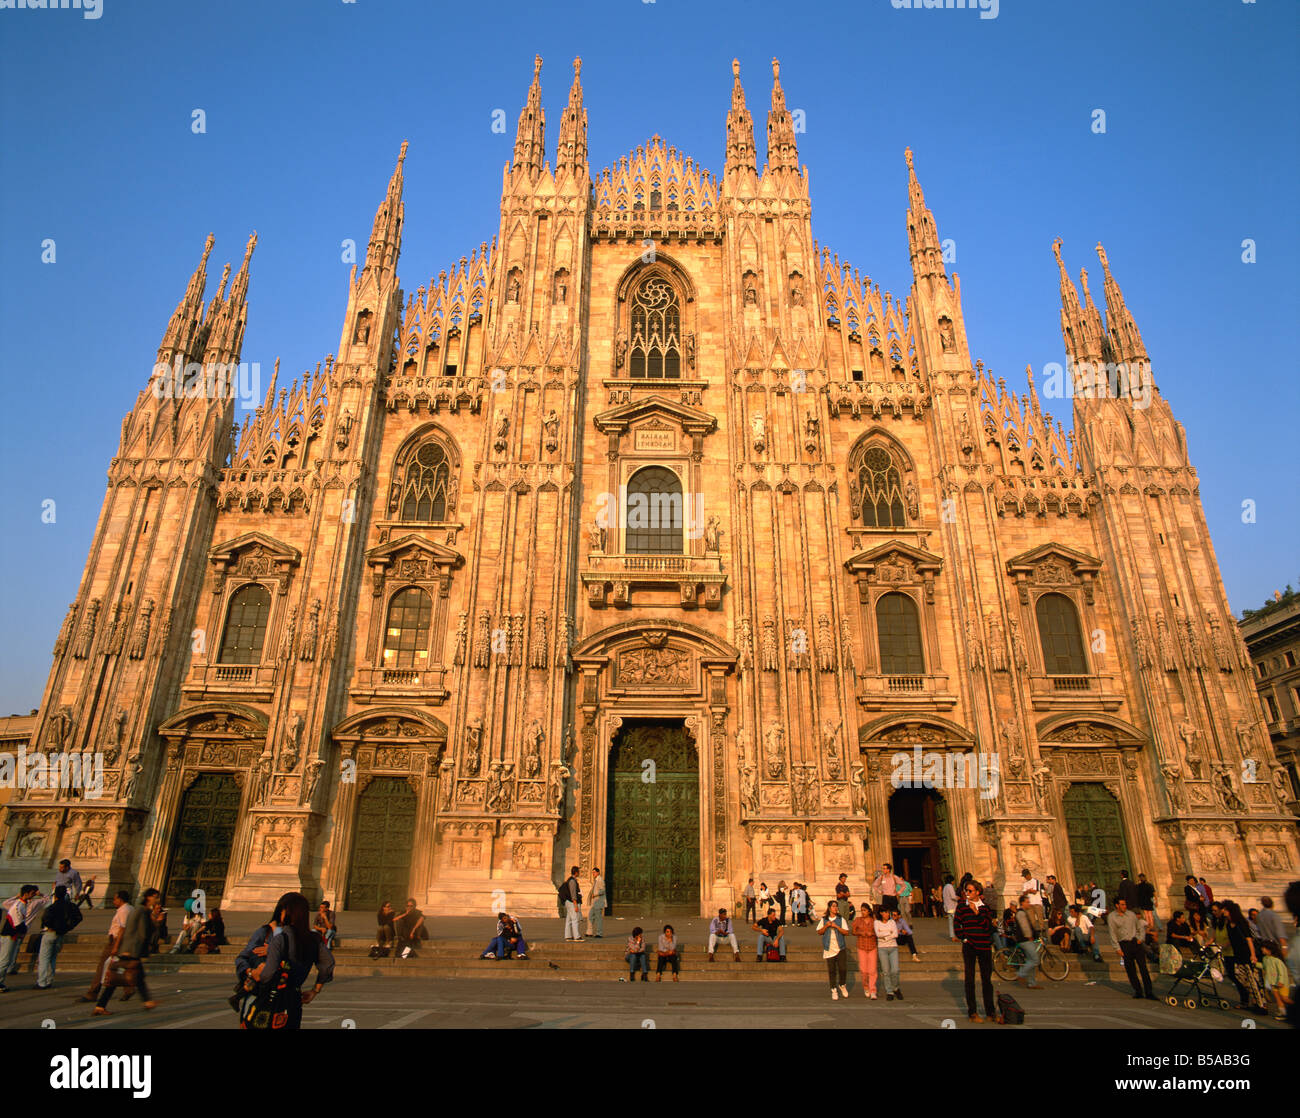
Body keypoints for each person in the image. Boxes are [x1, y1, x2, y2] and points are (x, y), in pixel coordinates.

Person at [242, 892, 334, 1030]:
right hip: (294, 1000)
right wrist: (315, 990)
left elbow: (268, 974)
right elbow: (328, 964)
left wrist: (253, 974)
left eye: (282, 910)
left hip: (271, 1000)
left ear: (288, 912)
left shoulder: (281, 939)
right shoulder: (314, 939)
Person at [93, 888, 161, 1015]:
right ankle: (147, 1001)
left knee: (122, 978)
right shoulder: (142, 911)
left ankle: (100, 1006)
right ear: (149, 897)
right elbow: (141, 932)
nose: (157, 900)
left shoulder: (140, 910)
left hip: (130, 948)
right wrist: (156, 923)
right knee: (135, 976)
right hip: (132, 949)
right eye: (155, 897)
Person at [953, 879, 996, 1022]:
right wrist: (963, 938)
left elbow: (988, 927)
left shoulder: (985, 908)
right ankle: (973, 1012)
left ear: (978, 892)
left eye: (970, 891)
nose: (967, 893)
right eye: (966, 891)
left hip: (984, 946)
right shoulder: (961, 907)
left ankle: (990, 1012)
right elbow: (956, 923)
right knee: (969, 980)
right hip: (970, 946)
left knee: (986, 980)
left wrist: (977, 913)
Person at [80, 889, 132, 1004]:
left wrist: (115, 946)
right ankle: (128, 988)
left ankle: (93, 993)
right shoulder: (130, 909)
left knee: (103, 966)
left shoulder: (124, 910)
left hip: (116, 941)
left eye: (115, 899)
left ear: (120, 899)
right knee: (121, 967)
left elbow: (122, 929)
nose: (114, 901)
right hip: (122, 942)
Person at [1223, 900, 1267, 1013]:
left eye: (1225, 910)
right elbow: (1232, 939)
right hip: (1237, 954)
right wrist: (1224, 946)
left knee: (1252, 980)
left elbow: (1249, 939)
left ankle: (1260, 1005)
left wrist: (1253, 954)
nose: (1223, 912)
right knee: (1240, 977)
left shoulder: (1241, 923)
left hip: (1246, 954)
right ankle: (1254, 999)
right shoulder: (1228, 924)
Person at [231, 907, 278, 1011]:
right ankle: (238, 995)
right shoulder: (264, 932)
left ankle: (238, 996)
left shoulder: (291, 934)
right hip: (261, 966)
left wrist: (271, 950)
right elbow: (245, 955)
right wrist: (249, 971)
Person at [1108, 896, 1155, 1001]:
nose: (1125, 906)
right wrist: (1117, 948)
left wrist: (1140, 939)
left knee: (1143, 968)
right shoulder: (1111, 917)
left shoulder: (1131, 914)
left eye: (1125, 904)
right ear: (1117, 905)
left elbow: (1140, 927)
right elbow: (1112, 933)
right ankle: (1138, 991)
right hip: (1124, 944)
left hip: (1135, 942)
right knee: (1130, 970)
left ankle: (1149, 992)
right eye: (1122, 904)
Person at [36, 885, 82, 989]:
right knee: (53, 958)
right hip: (61, 934)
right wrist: (68, 927)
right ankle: (49, 980)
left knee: (44, 959)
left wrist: (52, 927)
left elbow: (45, 919)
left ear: (55, 895)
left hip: (50, 933)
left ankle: (42, 982)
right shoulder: (71, 906)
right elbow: (79, 917)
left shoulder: (52, 907)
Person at [0, 884, 44, 992]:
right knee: (4, 961)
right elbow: (18, 924)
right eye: (32, 893)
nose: (34, 895)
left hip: (12, 935)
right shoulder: (18, 906)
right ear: (26, 894)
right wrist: (22, 932)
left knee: (5, 960)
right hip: (10, 936)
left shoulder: (21, 904)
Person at [817, 900, 851, 1001]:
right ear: (829, 908)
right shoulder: (824, 920)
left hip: (840, 947)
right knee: (832, 970)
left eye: (836, 906)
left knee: (843, 969)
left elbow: (846, 932)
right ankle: (833, 989)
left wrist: (836, 926)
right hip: (829, 948)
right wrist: (826, 926)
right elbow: (819, 932)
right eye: (833, 906)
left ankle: (842, 984)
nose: (835, 908)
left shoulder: (841, 919)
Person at [1013, 894, 1042, 990]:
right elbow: (1024, 926)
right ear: (1022, 903)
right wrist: (1029, 936)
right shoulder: (1021, 913)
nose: (1029, 903)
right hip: (1025, 939)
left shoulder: (1023, 912)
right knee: (1035, 960)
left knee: (1031, 960)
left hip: (1026, 939)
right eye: (1027, 902)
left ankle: (1032, 983)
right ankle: (1021, 974)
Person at [874, 905, 902, 1001]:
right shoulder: (877, 922)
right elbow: (878, 934)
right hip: (882, 948)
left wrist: (885, 936)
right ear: (881, 913)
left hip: (893, 947)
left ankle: (896, 987)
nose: (887, 914)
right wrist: (888, 933)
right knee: (886, 971)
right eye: (885, 912)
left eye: (888, 912)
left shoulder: (892, 922)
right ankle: (889, 991)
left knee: (895, 970)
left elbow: (895, 934)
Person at [851, 901, 878, 998]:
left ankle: (873, 989)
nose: (863, 912)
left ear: (869, 911)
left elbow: (879, 932)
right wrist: (860, 933)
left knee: (872, 970)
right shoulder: (858, 920)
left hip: (872, 946)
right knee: (863, 970)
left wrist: (872, 934)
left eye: (865, 910)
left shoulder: (874, 921)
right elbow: (853, 931)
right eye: (862, 910)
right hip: (862, 946)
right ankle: (866, 987)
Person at [1260, 941, 1291, 1021]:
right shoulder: (1265, 958)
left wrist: (1281, 981)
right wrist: (1255, 964)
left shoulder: (1277, 960)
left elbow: (1282, 972)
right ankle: (1283, 1013)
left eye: (1264, 948)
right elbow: (1264, 967)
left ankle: (1295, 1007)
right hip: (1273, 983)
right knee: (1278, 1000)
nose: (1262, 950)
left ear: (1270, 950)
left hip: (1282, 983)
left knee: (1284, 998)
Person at [560, 865, 583, 942]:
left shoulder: (569, 880)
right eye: (578, 872)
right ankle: (577, 936)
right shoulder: (572, 881)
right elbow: (573, 894)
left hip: (568, 901)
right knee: (575, 919)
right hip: (571, 902)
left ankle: (568, 936)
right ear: (576, 872)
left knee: (569, 919)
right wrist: (575, 904)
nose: (579, 873)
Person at [586, 868, 607, 938]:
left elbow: (602, 891)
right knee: (590, 916)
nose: (593, 874)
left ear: (598, 872)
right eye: (592, 872)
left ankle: (599, 933)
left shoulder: (600, 880)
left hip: (598, 902)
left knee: (598, 918)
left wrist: (595, 894)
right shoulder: (596, 880)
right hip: (595, 903)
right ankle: (589, 932)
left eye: (594, 872)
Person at [942, 873, 959, 942]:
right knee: (956, 922)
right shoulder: (950, 886)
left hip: (947, 907)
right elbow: (953, 896)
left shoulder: (945, 887)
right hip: (952, 907)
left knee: (951, 922)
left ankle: (953, 936)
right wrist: (958, 898)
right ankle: (957, 935)